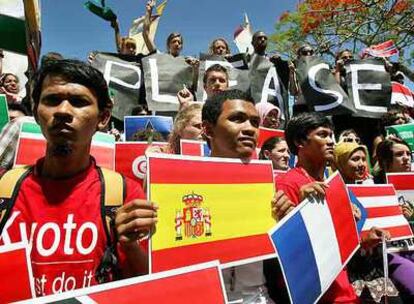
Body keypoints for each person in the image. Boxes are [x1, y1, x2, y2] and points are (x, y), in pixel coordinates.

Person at [0, 59, 157, 296]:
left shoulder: (126, 195)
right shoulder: (4, 189)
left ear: (103, 118)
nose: (63, 111)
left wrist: (130, 245)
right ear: (35, 112)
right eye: (52, 100)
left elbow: (148, 290)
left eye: (78, 102)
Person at [276, 112, 389, 303]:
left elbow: (336, 245)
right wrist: (303, 211)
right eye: (322, 135)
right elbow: (288, 254)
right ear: (299, 142)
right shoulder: (287, 183)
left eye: (331, 135)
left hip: (345, 291)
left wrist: (363, 239)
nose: (331, 142)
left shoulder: (334, 185)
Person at [202, 89, 294, 303]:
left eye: (254, 122)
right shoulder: (175, 184)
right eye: (237, 119)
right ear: (208, 129)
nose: (249, 129)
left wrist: (286, 226)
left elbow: (288, 265)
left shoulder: (269, 187)